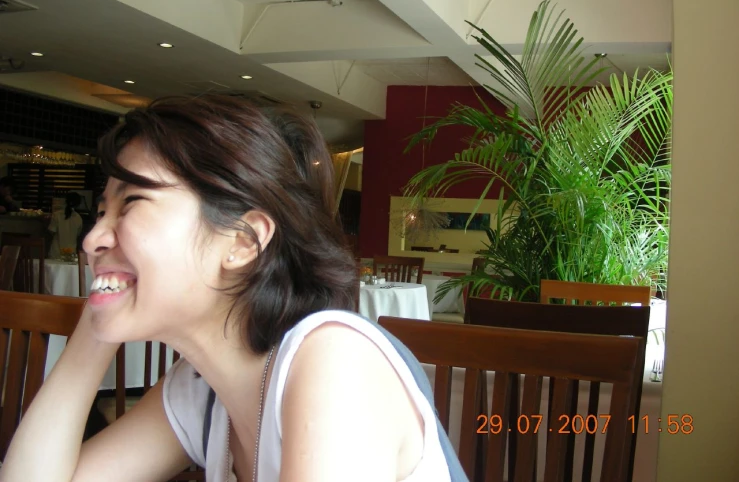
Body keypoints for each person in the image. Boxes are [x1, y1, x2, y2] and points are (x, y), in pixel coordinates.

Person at [0, 95, 467, 482]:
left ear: (242, 242)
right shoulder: (202, 388)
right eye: (102, 211)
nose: (91, 238)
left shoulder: (334, 359)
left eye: (133, 203)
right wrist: (101, 319)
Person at [48, 192, 84, 259]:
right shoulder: (79, 218)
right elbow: (78, 234)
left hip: (56, 252)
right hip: (71, 253)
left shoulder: (57, 215)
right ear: (78, 204)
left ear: (65, 201)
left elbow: (51, 231)